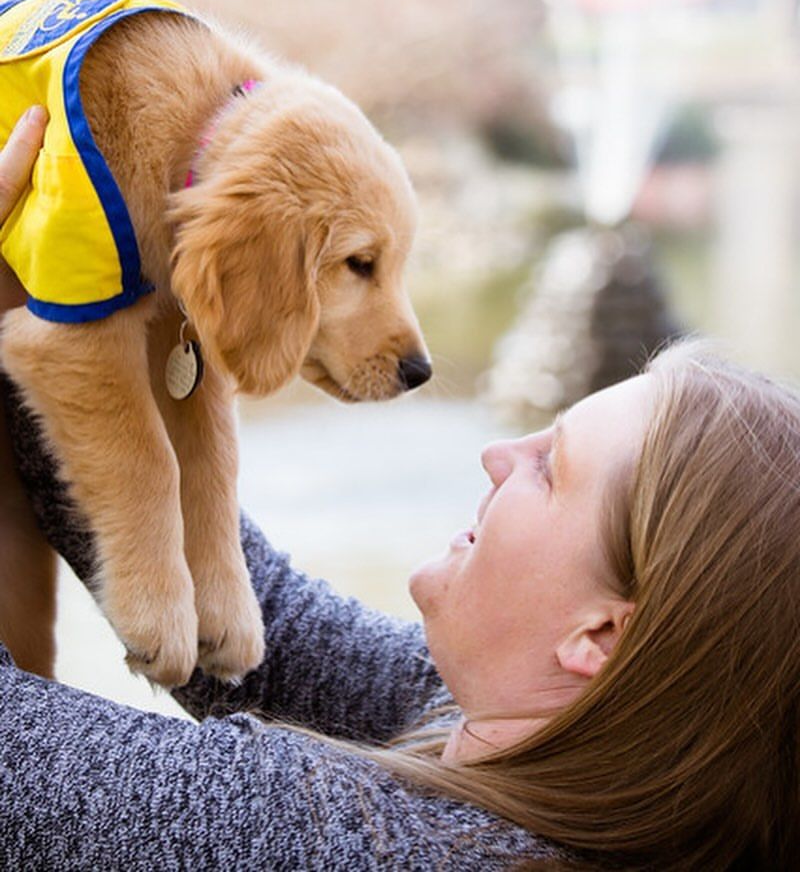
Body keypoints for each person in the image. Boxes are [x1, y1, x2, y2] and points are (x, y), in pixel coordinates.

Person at [0, 107, 797, 871]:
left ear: (598, 637)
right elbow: (267, 628)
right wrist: (81, 303)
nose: (496, 453)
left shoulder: (355, 845)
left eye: (550, 468)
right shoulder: (555, 745)